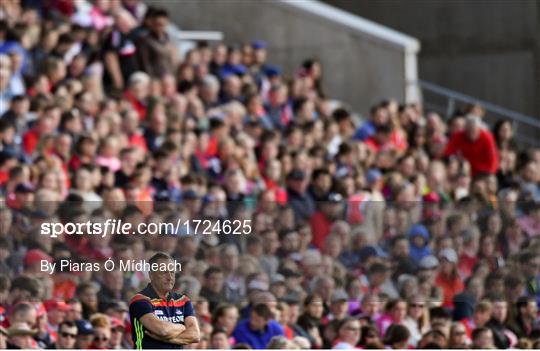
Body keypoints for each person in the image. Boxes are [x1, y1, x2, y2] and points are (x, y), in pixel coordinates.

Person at [129, 252, 200, 349]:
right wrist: (182, 327)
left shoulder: (184, 300)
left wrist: (167, 338)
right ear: (151, 275)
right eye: (164, 272)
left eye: (172, 272)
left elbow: (195, 335)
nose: (170, 277)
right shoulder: (140, 300)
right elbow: (163, 330)